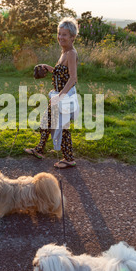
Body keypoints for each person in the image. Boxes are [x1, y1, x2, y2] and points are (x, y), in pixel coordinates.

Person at [25, 17, 79, 169]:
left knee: (63, 127)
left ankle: (69, 159)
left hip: (64, 97)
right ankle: (39, 149)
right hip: (57, 95)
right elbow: (62, 73)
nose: (61, 37)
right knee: (46, 122)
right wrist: (48, 67)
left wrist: (60, 97)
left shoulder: (71, 54)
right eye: (59, 34)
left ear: (72, 37)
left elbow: (73, 78)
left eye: (65, 35)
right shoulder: (64, 52)